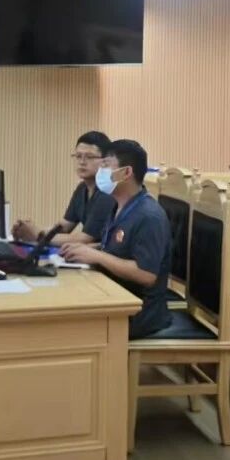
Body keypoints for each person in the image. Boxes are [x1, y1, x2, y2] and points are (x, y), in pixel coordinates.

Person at [60, 139, 172, 339]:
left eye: (106, 166)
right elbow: (113, 248)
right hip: (114, 293)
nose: (100, 172)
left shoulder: (149, 216)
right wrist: (85, 250)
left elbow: (146, 275)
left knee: (69, 327)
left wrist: (96, 256)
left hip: (139, 311)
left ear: (126, 172)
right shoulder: (117, 205)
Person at [11, 132, 115, 246]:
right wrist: (29, 230)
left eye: (89, 157)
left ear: (106, 161)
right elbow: (64, 226)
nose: (82, 162)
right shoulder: (82, 188)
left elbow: (84, 239)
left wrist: (38, 235)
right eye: (78, 156)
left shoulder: (107, 192)